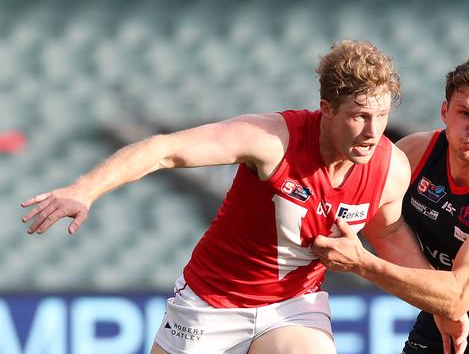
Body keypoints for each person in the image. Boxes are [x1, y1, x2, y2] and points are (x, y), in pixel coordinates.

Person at [20, 40, 414, 354]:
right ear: (326, 109)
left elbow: (392, 235)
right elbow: (164, 149)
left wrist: (444, 304)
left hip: (293, 306)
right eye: (360, 116)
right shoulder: (271, 139)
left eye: (380, 116)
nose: (372, 130)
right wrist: (84, 190)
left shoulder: (390, 169)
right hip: (212, 302)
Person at [313, 58, 469, 354]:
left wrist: (363, 264)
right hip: (438, 329)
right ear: (445, 112)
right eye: (464, 113)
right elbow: (384, 227)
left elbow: (457, 297)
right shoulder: (414, 154)